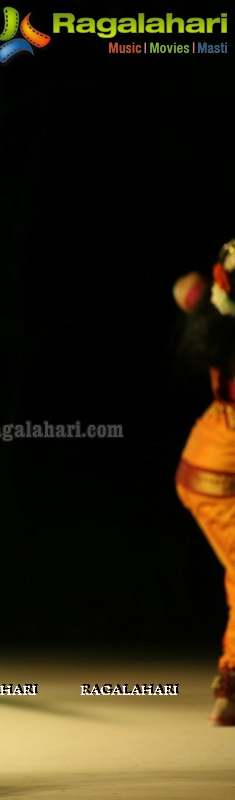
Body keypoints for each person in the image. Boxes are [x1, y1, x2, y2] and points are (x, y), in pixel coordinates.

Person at [172, 239, 235, 726]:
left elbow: (184, 287)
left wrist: (219, 287)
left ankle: (231, 691)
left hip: (205, 461)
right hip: (219, 476)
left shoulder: (219, 320)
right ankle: (230, 687)